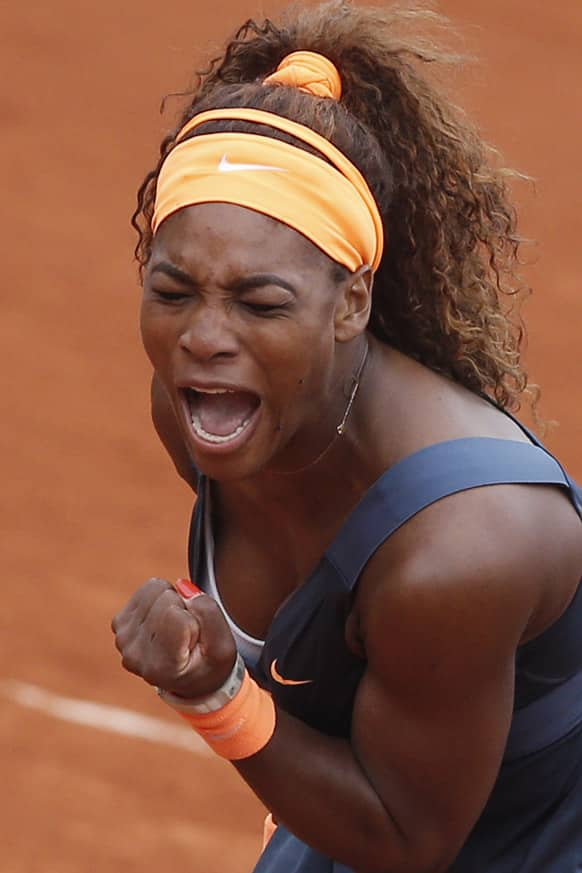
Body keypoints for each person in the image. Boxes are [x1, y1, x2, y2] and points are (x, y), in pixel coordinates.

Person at [111, 3, 582, 871]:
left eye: (260, 303)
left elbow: (407, 837)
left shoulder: (463, 546)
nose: (204, 337)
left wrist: (218, 692)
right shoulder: (205, 407)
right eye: (173, 292)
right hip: (380, 797)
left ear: (352, 304)